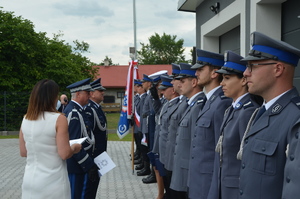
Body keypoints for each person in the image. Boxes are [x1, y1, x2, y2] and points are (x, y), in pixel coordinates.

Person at [238, 31, 300, 199]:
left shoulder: (295, 117)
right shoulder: (260, 112)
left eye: (252, 66)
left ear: (278, 69)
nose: (245, 73)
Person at [19, 79, 82, 199]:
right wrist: (75, 147)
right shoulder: (58, 119)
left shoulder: (26, 118)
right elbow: (64, 154)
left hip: (30, 180)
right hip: (53, 180)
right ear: (52, 97)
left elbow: (23, 152)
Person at [212, 51, 262, 199]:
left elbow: (246, 160)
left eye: (227, 78)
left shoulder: (247, 111)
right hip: (225, 186)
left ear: (243, 81)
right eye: (222, 78)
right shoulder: (232, 109)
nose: (222, 83)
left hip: (236, 189)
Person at [189, 49, 232, 199]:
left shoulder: (222, 103)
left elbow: (220, 154)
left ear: (214, 73)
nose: (196, 74)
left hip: (208, 185)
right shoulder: (210, 101)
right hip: (198, 180)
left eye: (201, 69)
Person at [170, 63, 206, 199]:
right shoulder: (191, 104)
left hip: (188, 172)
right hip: (182, 169)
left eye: (183, 81)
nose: (178, 85)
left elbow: (195, 145)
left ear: (194, 83)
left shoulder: (197, 106)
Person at [63, 78, 99, 199]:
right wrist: (88, 165)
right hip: (78, 166)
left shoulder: (79, 110)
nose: (90, 95)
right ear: (78, 94)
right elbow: (73, 142)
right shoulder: (73, 112)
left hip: (81, 165)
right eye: (87, 93)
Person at [163, 63, 188, 199]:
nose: (172, 82)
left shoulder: (189, 104)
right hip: (172, 158)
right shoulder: (184, 103)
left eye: (178, 79)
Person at [84, 78, 107, 198]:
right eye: (99, 91)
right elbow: (89, 134)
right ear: (92, 93)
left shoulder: (96, 107)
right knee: (89, 187)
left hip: (99, 154)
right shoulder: (89, 109)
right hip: (93, 155)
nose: (103, 92)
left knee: (94, 186)